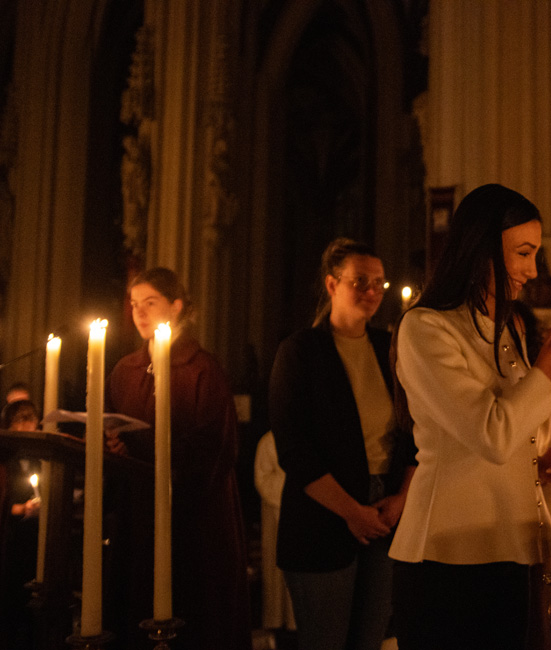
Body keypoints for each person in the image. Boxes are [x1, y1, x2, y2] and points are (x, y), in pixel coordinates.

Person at [390, 183, 551, 650]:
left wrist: (539, 464)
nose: (532, 271)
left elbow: (508, 433)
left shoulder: (506, 325)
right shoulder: (425, 327)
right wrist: (550, 360)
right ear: (480, 249)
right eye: (523, 254)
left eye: (535, 255)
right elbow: (491, 434)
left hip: (511, 546)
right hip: (447, 555)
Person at [269, 238, 416, 650]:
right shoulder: (300, 351)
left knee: (371, 639)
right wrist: (352, 512)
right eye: (360, 281)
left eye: (379, 283)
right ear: (332, 284)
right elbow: (295, 448)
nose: (372, 291)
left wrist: (402, 498)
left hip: (386, 511)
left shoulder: (390, 347)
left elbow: (415, 431)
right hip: (323, 515)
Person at [105, 267, 250, 650]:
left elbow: (214, 450)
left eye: (150, 303)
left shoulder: (202, 370)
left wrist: (140, 447)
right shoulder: (124, 371)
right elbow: (109, 431)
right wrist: (112, 446)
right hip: (138, 516)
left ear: (177, 306)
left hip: (194, 521)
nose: (139, 312)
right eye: (134, 304)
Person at [0, 399, 41, 649]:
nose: (28, 424)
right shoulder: (4, 461)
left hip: (34, 540)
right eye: (20, 419)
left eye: (31, 418)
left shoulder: (40, 458)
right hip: (10, 541)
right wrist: (21, 509)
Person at [252, 431, 296, 640]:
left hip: (302, 514)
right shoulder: (268, 441)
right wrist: (289, 490)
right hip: (276, 513)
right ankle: (277, 621)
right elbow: (263, 477)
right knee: (276, 569)